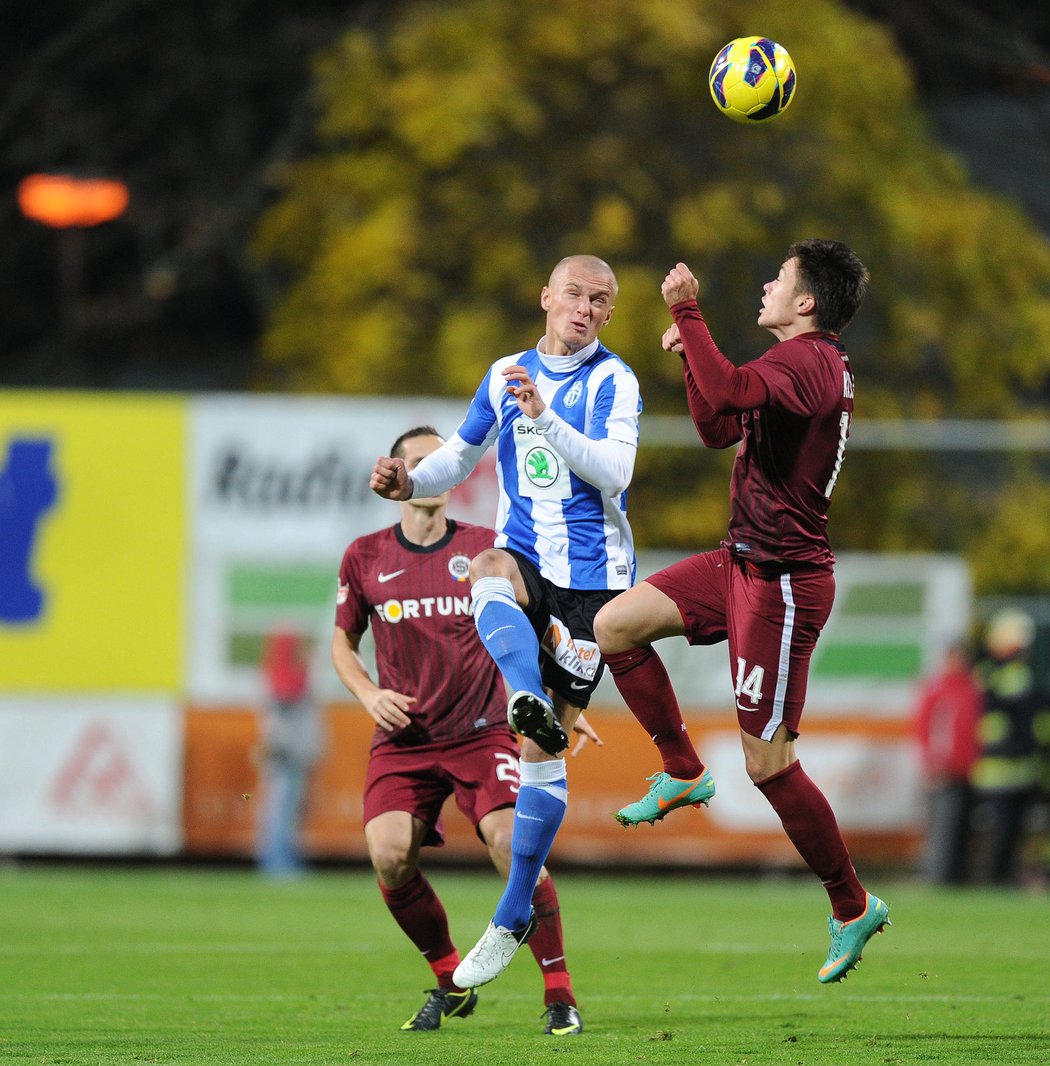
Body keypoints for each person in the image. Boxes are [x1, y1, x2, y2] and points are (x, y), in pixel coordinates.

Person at [592, 241, 891, 985]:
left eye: (779, 279)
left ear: (807, 303)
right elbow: (718, 424)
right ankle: (683, 769)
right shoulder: (803, 364)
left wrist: (686, 310)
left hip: (782, 582)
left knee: (768, 764)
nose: (765, 285)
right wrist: (694, 358)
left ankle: (852, 905)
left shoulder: (810, 362)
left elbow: (725, 396)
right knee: (615, 627)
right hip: (740, 561)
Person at [370, 255, 641, 995]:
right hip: (525, 558)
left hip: (592, 586)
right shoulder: (504, 371)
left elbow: (614, 473)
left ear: (609, 315)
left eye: (601, 301)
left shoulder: (614, 382)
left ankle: (514, 907)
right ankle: (522, 691)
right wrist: (411, 480)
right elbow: (458, 455)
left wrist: (545, 417)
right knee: (485, 567)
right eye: (576, 295)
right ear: (546, 295)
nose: (586, 308)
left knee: (539, 760)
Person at [336, 425, 592, 1035]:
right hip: (407, 740)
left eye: (441, 460)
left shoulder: (487, 551)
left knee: (511, 845)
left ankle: (560, 992)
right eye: (419, 461)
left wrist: (566, 704)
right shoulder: (365, 555)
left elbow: (547, 627)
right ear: (397, 474)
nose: (433, 470)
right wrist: (369, 693)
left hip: (481, 732)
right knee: (389, 854)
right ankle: (451, 978)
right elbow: (342, 643)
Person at [971, 608, 1045, 885]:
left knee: (1009, 831)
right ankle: (997, 878)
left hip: (1007, 768)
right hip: (1004, 769)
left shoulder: (986, 674)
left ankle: (1000, 877)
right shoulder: (1009, 676)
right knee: (1004, 831)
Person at [913, 641, 982, 885]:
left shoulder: (971, 689)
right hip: (943, 771)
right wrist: (932, 763)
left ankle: (956, 878)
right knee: (942, 828)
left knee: (961, 829)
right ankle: (938, 878)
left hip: (968, 771)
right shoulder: (939, 690)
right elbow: (925, 729)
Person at [256, 628, 324, 877]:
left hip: (295, 753)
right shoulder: (282, 676)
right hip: (283, 752)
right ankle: (275, 861)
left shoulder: (290, 673)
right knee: (278, 808)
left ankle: (284, 857)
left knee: (290, 809)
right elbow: (286, 702)